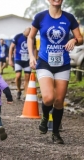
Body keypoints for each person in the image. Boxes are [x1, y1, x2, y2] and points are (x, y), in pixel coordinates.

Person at [27, 0, 83, 144]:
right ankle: (45, 116)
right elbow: (30, 37)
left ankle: (56, 133)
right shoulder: (40, 17)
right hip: (44, 62)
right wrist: (32, 56)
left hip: (63, 63)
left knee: (59, 101)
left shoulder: (69, 18)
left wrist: (75, 40)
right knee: (48, 98)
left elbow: (81, 38)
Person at [9, 28, 37, 100]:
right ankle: (18, 90)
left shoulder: (32, 38)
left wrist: (35, 58)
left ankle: (25, 93)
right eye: (27, 35)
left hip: (28, 60)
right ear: (24, 32)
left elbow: (34, 48)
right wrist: (10, 59)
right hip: (18, 59)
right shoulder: (18, 36)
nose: (28, 37)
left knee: (27, 77)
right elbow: (11, 47)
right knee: (18, 76)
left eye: (29, 35)